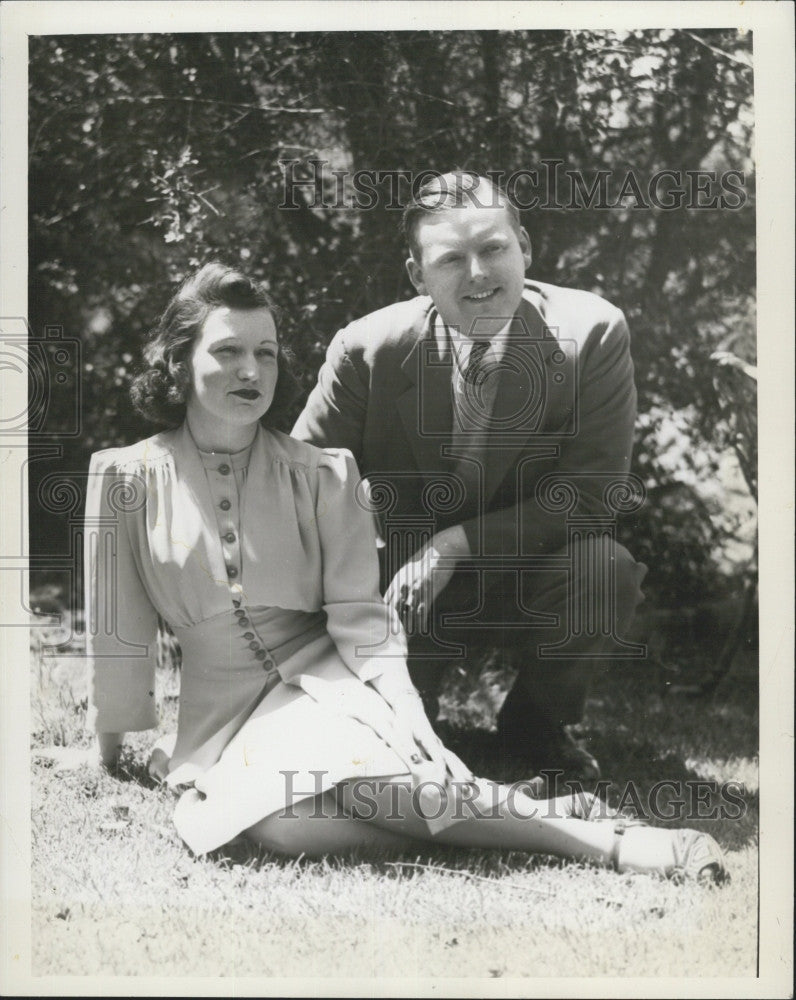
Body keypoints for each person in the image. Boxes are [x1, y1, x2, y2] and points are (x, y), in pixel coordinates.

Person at [81, 261, 725, 881]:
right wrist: (110, 752)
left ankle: (611, 842)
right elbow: (119, 636)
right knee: (283, 826)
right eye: (227, 351)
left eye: (268, 352)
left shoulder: (325, 473)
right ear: (176, 360)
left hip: (322, 685)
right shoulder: (123, 478)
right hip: (215, 715)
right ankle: (524, 810)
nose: (252, 370)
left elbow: (362, 618)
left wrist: (404, 709)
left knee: (323, 796)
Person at [293, 171, 648, 781]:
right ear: (418, 276)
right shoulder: (366, 348)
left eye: (493, 249)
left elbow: (591, 498)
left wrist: (454, 544)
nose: (478, 274)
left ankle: (537, 727)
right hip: (403, 589)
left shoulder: (592, 334)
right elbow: (298, 489)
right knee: (390, 745)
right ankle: (400, 705)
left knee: (604, 569)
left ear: (525, 248)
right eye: (451, 259)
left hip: (527, 572)